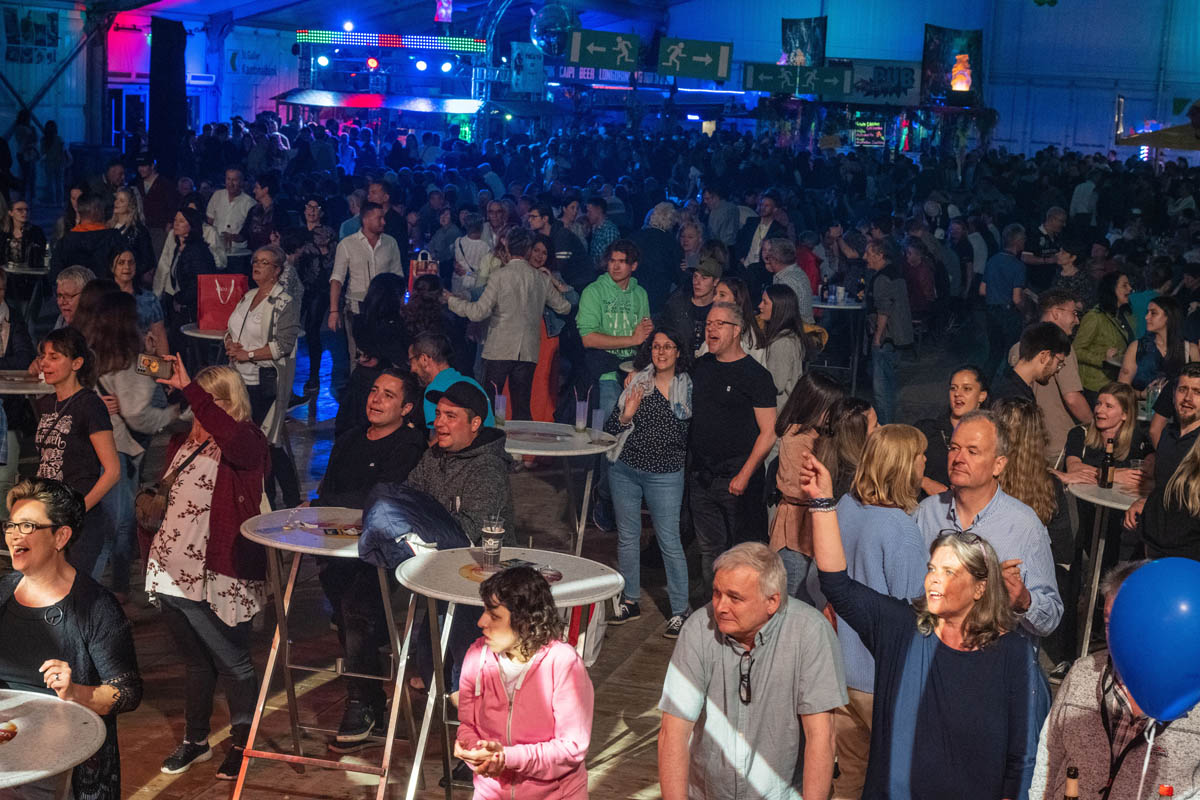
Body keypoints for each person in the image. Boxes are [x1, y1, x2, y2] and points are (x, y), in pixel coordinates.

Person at [805, 453, 1046, 800]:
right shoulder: (901, 630)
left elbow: (1022, 760)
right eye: (932, 569)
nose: (935, 580)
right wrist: (823, 504)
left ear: (980, 588)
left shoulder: (1013, 654)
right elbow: (837, 585)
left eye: (950, 573)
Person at [144, 360, 270, 780]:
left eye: (212, 401)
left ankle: (242, 743)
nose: (201, 409)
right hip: (168, 572)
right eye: (199, 399)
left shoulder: (246, 443)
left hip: (218, 575)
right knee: (196, 662)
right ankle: (195, 741)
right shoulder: (180, 443)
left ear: (230, 403)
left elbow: (235, 440)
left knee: (234, 663)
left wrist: (192, 392)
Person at [657, 542, 846, 800]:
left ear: (772, 601)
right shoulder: (698, 628)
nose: (720, 607)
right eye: (716, 593)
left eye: (734, 598)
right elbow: (673, 733)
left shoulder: (810, 632)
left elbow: (821, 737)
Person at [0, 477, 142, 800]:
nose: (14, 535)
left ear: (60, 536)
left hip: (55, 761)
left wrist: (75, 691)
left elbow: (128, 692)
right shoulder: (4, 592)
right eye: (11, 525)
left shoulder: (96, 606)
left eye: (27, 526)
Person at [315, 369, 427, 747]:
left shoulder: (410, 444)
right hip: (337, 546)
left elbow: (381, 498)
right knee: (349, 618)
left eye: (388, 395)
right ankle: (370, 699)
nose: (376, 399)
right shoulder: (349, 438)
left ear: (407, 407)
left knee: (358, 611)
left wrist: (341, 506)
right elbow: (328, 491)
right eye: (374, 391)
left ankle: (360, 703)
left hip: (382, 548)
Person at [1029, 560, 1200, 799]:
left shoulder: (1192, 688)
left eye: (1125, 623)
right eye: (1109, 623)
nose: (1115, 636)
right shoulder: (1083, 673)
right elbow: (1050, 752)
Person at [829, 425, 930, 800]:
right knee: (904, 777)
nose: (926, 461)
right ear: (904, 465)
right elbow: (913, 618)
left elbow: (818, 581)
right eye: (920, 455)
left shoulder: (844, 507)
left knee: (851, 774)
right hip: (879, 680)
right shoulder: (901, 530)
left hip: (839, 670)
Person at [915, 409, 1063, 639]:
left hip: (993, 655)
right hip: (934, 649)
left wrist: (1024, 600)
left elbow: (1051, 617)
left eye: (972, 451)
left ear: (998, 465)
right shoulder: (927, 513)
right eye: (954, 448)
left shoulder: (1024, 526)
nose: (958, 458)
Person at [455, 566, 594, 800]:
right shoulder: (476, 655)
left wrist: (507, 757)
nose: (481, 622)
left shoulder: (563, 663)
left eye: (494, 616)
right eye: (484, 611)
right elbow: (467, 724)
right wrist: (473, 750)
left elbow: (571, 748)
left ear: (525, 621)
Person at [86, 291, 180, 600]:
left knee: (113, 519)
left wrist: (152, 354)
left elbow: (163, 372)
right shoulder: (127, 360)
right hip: (121, 447)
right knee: (121, 522)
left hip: (109, 444)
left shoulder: (99, 355)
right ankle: (116, 590)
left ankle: (110, 588)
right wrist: (176, 417)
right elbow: (139, 415)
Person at [602, 326, 692, 635]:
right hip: (626, 469)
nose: (661, 352)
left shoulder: (689, 387)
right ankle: (630, 600)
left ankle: (680, 610)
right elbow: (611, 428)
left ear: (678, 351)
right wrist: (627, 415)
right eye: (656, 346)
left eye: (668, 346)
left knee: (669, 541)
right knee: (628, 537)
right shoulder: (638, 382)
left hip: (665, 475)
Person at [689, 301, 778, 585]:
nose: (711, 329)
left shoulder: (756, 376)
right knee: (709, 551)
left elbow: (769, 432)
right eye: (708, 324)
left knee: (745, 554)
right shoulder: (701, 367)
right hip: (702, 479)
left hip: (738, 481)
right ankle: (715, 605)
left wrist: (744, 475)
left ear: (737, 330)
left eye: (719, 324)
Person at [445, 227, 571, 422]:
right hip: (528, 351)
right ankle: (521, 442)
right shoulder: (540, 279)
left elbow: (478, 312)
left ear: (507, 249)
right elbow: (564, 307)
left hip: (499, 350)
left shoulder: (499, 276)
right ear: (528, 250)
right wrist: (556, 283)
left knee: (488, 407)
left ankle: (490, 441)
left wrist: (451, 301)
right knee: (522, 409)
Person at [33, 327, 120, 579]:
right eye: (43, 356)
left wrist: (78, 510)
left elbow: (112, 471)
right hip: (48, 515)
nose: (45, 363)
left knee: (73, 591)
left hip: (79, 522)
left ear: (76, 363)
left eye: (54, 357)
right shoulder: (46, 403)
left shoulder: (90, 405)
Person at [225, 244, 301, 508]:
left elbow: (284, 345)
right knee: (257, 444)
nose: (257, 265)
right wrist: (229, 343)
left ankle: (285, 500)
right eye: (256, 261)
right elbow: (232, 328)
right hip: (240, 380)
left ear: (277, 270)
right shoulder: (248, 296)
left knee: (267, 444)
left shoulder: (284, 302)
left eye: (264, 262)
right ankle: (265, 499)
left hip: (265, 382)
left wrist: (249, 355)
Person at [406, 380, 514, 545]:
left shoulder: (488, 468)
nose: (438, 423)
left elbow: (468, 530)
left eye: (450, 416)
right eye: (438, 414)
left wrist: (417, 519)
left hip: (479, 558)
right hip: (430, 549)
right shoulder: (432, 455)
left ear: (475, 424)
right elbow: (408, 498)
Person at [770, 372, 846, 603]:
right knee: (795, 599)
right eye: (830, 409)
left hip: (806, 529)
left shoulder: (814, 435)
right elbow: (796, 490)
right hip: (795, 534)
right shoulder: (796, 439)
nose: (834, 416)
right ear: (814, 405)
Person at [1007, 289, 1093, 462]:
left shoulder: (1019, 346)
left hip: (1031, 446)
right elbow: (1072, 398)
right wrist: (1095, 426)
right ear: (1056, 313)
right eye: (1074, 313)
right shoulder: (1059, 349)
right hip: (1058, 445)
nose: (1077, 320)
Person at [577, 239, 652, 424]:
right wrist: (632, 339)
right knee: (608, 424)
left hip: (633, 370)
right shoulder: (594, 291)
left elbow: (643, 334)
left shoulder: (640, 293)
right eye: (612, 261)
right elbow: (588, 339)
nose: (616, 266)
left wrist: (646, 334)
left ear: (633, 266)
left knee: (633, 426)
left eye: (622, 261)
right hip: (605, 371)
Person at [1127, 363, 1200, 544]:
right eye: (1183, 390)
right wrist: (1146, 502)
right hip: (1155, 541)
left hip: (1187, 548)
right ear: (1173, 394)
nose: (1188, 398)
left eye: (1197, 392)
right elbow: (1164, 488)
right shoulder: (1168, 435)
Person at [328, 202, 403, 369]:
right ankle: (359, 383)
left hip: (385, 308)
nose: (384, 222)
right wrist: (334, 311)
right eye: (379, 218)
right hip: (357, 307)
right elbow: (337, 278)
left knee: (387, 352)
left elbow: (397, 276)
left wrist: (400, 304)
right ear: (366, 219)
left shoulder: (390, 242)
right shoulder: (347, 244)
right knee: (359, 355)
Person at [291, 195, 339, 397]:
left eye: (315, 207)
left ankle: (314, 376)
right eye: (308, 207)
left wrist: (321, 251)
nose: (311, 211)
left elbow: (332, 262)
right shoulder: (298, 233)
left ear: (322, 212)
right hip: (297, 287)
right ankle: (286, 374)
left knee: (312, 329)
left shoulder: (328, 233)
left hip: (319, 287)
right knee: (289, 327)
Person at [916, 365, 989, 496]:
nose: (957, 394)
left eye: (967, 389)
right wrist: (924, 482)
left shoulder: (990, 436)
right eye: (953, 388)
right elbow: (896, 463)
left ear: (982, 396)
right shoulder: (927, 430)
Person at [864, 237, 913, 425]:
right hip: (898, 337)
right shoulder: (895, 273)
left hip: (887, 338)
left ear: (880, 255)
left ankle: (885, 425)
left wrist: (878, 337)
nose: (865, 257)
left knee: (882, 387)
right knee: (889, 382)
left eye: (868, 253)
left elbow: (884, 309)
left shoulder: (882, 278)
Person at [156, 207, 217, 354]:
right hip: (181, 305)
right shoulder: (179, 248)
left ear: (191, 225)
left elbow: (201, 281)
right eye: (175, 220)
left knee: (183, 348)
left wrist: (181, 298)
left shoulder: (196, 250)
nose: (176, 224)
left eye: (181, 221)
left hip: (193, 309)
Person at [408, 332, 494, 429]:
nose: (411, 369)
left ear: (424, 359)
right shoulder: (472, 382)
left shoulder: (433, 390)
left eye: (411, 361)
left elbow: (439, 434)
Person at [1075, 271, 1135, 395]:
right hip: (1094, 387)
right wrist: (1103, 358)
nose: (1130, 289)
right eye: (1124, 285)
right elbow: (1076, 349)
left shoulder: (1123, 316)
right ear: (1112, 289)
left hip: (1112, 384)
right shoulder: (1095, 317)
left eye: (1129, 285)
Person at [981, 222, 1028, 379]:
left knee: (994, 353)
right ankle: (1007, 388)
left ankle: (984, 386)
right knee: (1012, 354)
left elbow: (982, 290)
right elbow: (1017, 298)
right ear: (1018, 241)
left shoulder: (992, 260)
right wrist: (1025, 312)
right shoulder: (1018, 266)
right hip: (1009, 314)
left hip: (991, 311)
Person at [1118, 294, 1187, 393]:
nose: (1146, 317)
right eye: (1147, 312)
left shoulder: (1188, 349)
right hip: (1142, 403)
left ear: (1169, 317)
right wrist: (1141, 394)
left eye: (1153, 313)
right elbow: (1122, 388)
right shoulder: (1137, 347)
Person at [992, 322, 1072, 404]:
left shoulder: (1004, 386)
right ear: (1044, 356)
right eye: (1059, 363)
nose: (1057, 370)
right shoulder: (1015, 400)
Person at [759, 284, 808, 412]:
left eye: (765, 302)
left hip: (780, 411)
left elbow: (775, 385)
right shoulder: (789, 335)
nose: (760, 306)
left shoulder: (782, 343)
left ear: (779, 307)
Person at [110, 248, 167, 355]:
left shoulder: (149, 299)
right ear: (112, 267)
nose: (127, 267)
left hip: (142, 358)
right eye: (121, 263)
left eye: (131, 262)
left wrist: (165, 364)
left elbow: (159, 335)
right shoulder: (104, 297)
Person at [659, 253, 719, 354]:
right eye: (695, 276)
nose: (697, 282)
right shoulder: (676, 305)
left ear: (715, 282)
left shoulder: (720, 310)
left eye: (704, 278)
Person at [52, 195, 117, 279]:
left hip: (74, 286)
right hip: (106, 285)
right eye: (102, 209)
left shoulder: (65, 242)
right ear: (97, 210)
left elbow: (56, 274)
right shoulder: (113, 238)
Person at [205, 168, 255, 274]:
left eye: (234, 180)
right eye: (228, 179)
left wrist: (233, 237)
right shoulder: (217, 195)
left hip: (238, 255)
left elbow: (249, 233)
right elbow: (209, 221)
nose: (231, 183)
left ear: (241, 182)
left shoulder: (250, 203)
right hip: (215, 251)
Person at [764, 237, 816, 325]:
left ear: (775, 259)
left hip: (798, 329)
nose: (767, 259)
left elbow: (782, 317)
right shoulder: (795, 272)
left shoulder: (787, 281)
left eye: (769, 257)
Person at [108, 187, 155, 282]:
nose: (116, 203)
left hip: (130, 281)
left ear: (130, 205)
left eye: (121, 201)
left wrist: (129, 271)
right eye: (116, 199)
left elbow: (148, 260)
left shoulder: (139, 230)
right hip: (110, 280)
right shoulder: (108, 227)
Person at [586, 197, 619, 267]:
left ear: (599, 210)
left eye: (590, 211)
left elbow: (612, 257)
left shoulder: (609, 230)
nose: (587, 214)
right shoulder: (595, 228)